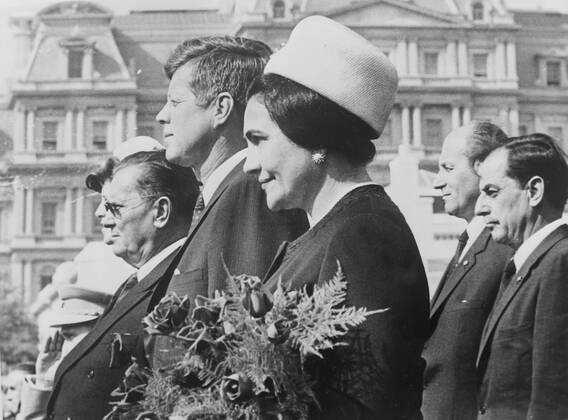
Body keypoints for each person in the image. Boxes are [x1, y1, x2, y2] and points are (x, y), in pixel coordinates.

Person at [242, 16, 429, 419]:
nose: (248, 165)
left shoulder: (363, 233)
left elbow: (367, 400)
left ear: (315, 137)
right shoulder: (330, 229)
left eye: (259, 140)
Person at [151, 36, 308, 368]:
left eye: (175, 102)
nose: (161, 116)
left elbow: (246, 350)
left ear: (220, 109)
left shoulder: (250, 193)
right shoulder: (220, 194)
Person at [41, 150, 200, 420]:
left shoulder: (178, 287)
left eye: (115, 207)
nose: (103, 217)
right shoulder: (137, 283)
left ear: (160, 212)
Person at [422, 122, 513, 420]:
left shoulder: (504, 252)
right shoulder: (472, 244)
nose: (437, 182)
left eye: (447, 168)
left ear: (483, 169)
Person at [475, 133, 568, 419]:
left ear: (534, 191)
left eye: (492, 192)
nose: (480, 208)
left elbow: (550, 402)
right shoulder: (529, 264)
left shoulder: (559, 264)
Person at [16, 284, 112, 420]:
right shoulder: (67, 388)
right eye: (62, 338)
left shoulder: (119, 387)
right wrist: (43, 381)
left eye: (70, 336)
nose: (63, 348)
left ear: (99, 334)